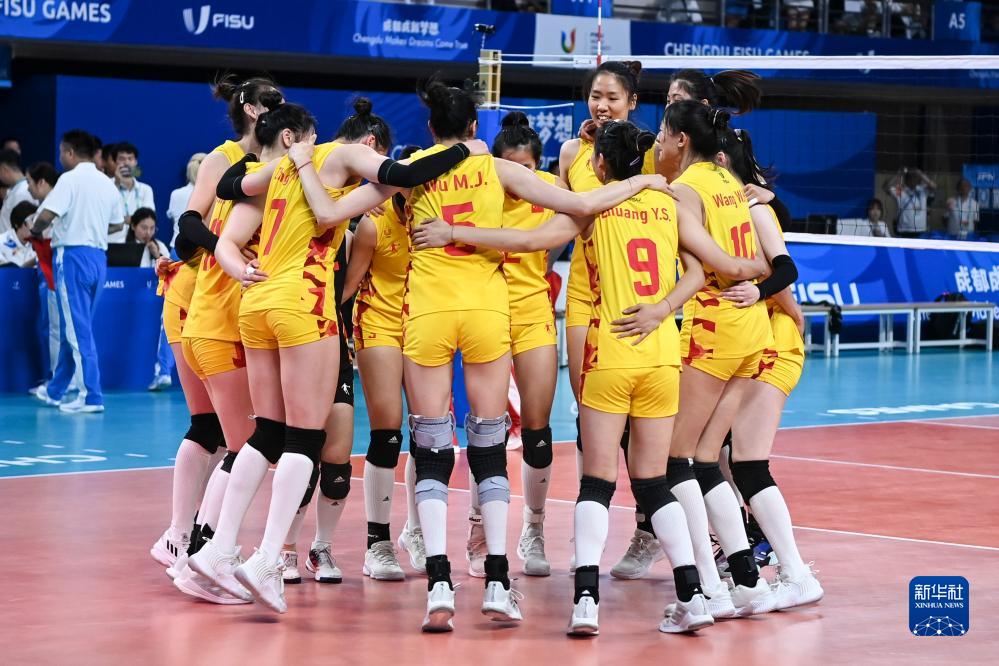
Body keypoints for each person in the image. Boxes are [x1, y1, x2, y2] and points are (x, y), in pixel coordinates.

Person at [411, 119, 766, 636]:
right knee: (654, 481)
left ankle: (585, 602)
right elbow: (713, 268)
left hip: (611, 352)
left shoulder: (592, 208)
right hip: (661, 355)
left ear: (600, 164)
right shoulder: (668, 204)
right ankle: (693, 597)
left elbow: (528, 241)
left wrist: (453, 232)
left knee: (597, 481)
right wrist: (749, 272)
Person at [193, 93, 489, 615]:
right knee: (305, 437)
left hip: (256, 301)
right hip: (304, 303)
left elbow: (227, 215)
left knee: (266, 432)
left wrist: (241, 270)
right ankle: (268, 559)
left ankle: (218, 549)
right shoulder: (340, 155)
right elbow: (403, 174)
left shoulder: (275, 171)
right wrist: (466, 150)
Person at [149, 75, 281, 606]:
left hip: (227, 306)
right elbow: (187, 229)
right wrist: (226, 249)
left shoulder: (275, 166)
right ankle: (195, 547)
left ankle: (185, 541)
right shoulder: (223, 160)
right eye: (271, 102)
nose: (280, 109)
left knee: (219, 432)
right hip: (203, 302)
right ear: (250, 109)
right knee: (234, 437)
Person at [657, 101, 775, 618]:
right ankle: (747, 581)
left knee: (673, 460)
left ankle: (709, 587)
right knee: (705, 459)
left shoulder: (687, 189)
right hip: (750, 330)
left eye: (663, 133)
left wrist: (742, 269)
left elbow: (714, 261)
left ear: (682, 138)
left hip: (714, 328)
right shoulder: (729, 180)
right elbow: (759, 257)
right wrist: (752, 269)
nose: (658, 142)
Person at [558, 61, 662, 580]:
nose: (601, 105)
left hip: (635, 297)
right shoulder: (572, 153)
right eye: (595, 96)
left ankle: (647, 530)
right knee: (590, 412)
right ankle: (591, 520)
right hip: (584, 293)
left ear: (632, 102)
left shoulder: (651, 155)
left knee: (640, 422)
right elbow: (561, 220)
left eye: (612, 97)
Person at [713, 126, 823, 613]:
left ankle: (796, 573)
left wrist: (774, 299)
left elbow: (781, 268)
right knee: (715, 452)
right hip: (745, 339)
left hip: (774, 340)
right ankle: (744, 547)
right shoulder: (722, 201)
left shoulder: (751, 205)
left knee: (748, 462)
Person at [340, 126, 425, 581]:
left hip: (425, 327)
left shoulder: (435, 221)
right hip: (379, 324)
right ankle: (378, 544)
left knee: (430, 433)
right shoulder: (373, 223)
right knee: (388, 431)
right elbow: (349, 287)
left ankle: (417, 530)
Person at [486, 111, 560, 578]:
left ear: (538, 166)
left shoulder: (551, 188)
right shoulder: (481, 191)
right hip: (487, 313)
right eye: (509, 169)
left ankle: (534, 527)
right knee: (488, 430)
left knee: (537, 429)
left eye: (526, 169)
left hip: (533, 315)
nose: (518, 178)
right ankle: (481, 530)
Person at [29, 129, 122, 414]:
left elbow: (47, 214)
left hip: (73, 258)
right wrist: (93, 226)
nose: (60, 157)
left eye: (61, 152)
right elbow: (118, 224)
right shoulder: (107, 183)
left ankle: (91, 396)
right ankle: (56, 390)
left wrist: (35, 230)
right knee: (78, 326)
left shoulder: (68, 180)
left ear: (70, 153)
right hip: (98, 258)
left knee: (77, 330)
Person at [25, 162, 60, 394]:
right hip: (47, 273)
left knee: (55, 330)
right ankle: (57, 378)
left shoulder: (50, 208)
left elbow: (46, 242)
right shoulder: (47, 205)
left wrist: (33, 231)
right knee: (54, 329)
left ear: (42, 182)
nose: (28, 188)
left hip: (51, 274)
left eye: (30, 182)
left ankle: (57, 380)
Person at [111, 142, 155, 243]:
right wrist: (117, 184)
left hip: (138, 243)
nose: (126, 163)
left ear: (135, 162)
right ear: (114, 162)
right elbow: (107, 217)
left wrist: (121, 220)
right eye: (122, 159)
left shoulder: (145, 189)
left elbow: (148, 219)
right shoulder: (107, 186)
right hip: (113, 241)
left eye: (130, 159)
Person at [168, 153, 208, 250]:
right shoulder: (212, 195)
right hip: (200, 251)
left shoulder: (176, 194)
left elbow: (175, 222)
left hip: (177, 249)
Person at [884, 167, 936, 238]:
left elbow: (934, 186)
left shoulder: (923, 190)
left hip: (921, 230)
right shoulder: (900, 191)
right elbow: (886, 187)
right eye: (910, 177)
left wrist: (921, 174)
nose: (913, 179)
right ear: (906, 179)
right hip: (904, 230)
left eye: (915, 177)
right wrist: (899, 175)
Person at [0, 148, 37, 234]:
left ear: (4, 169)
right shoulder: (15, 190)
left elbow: (24, 229)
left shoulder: (23, 192)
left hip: (13, 242)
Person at [0, 201, 38, 267]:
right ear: (16, 225)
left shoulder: (38, 242)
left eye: (35, 222)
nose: (32, 227)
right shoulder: (2, 242)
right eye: (28, 223)